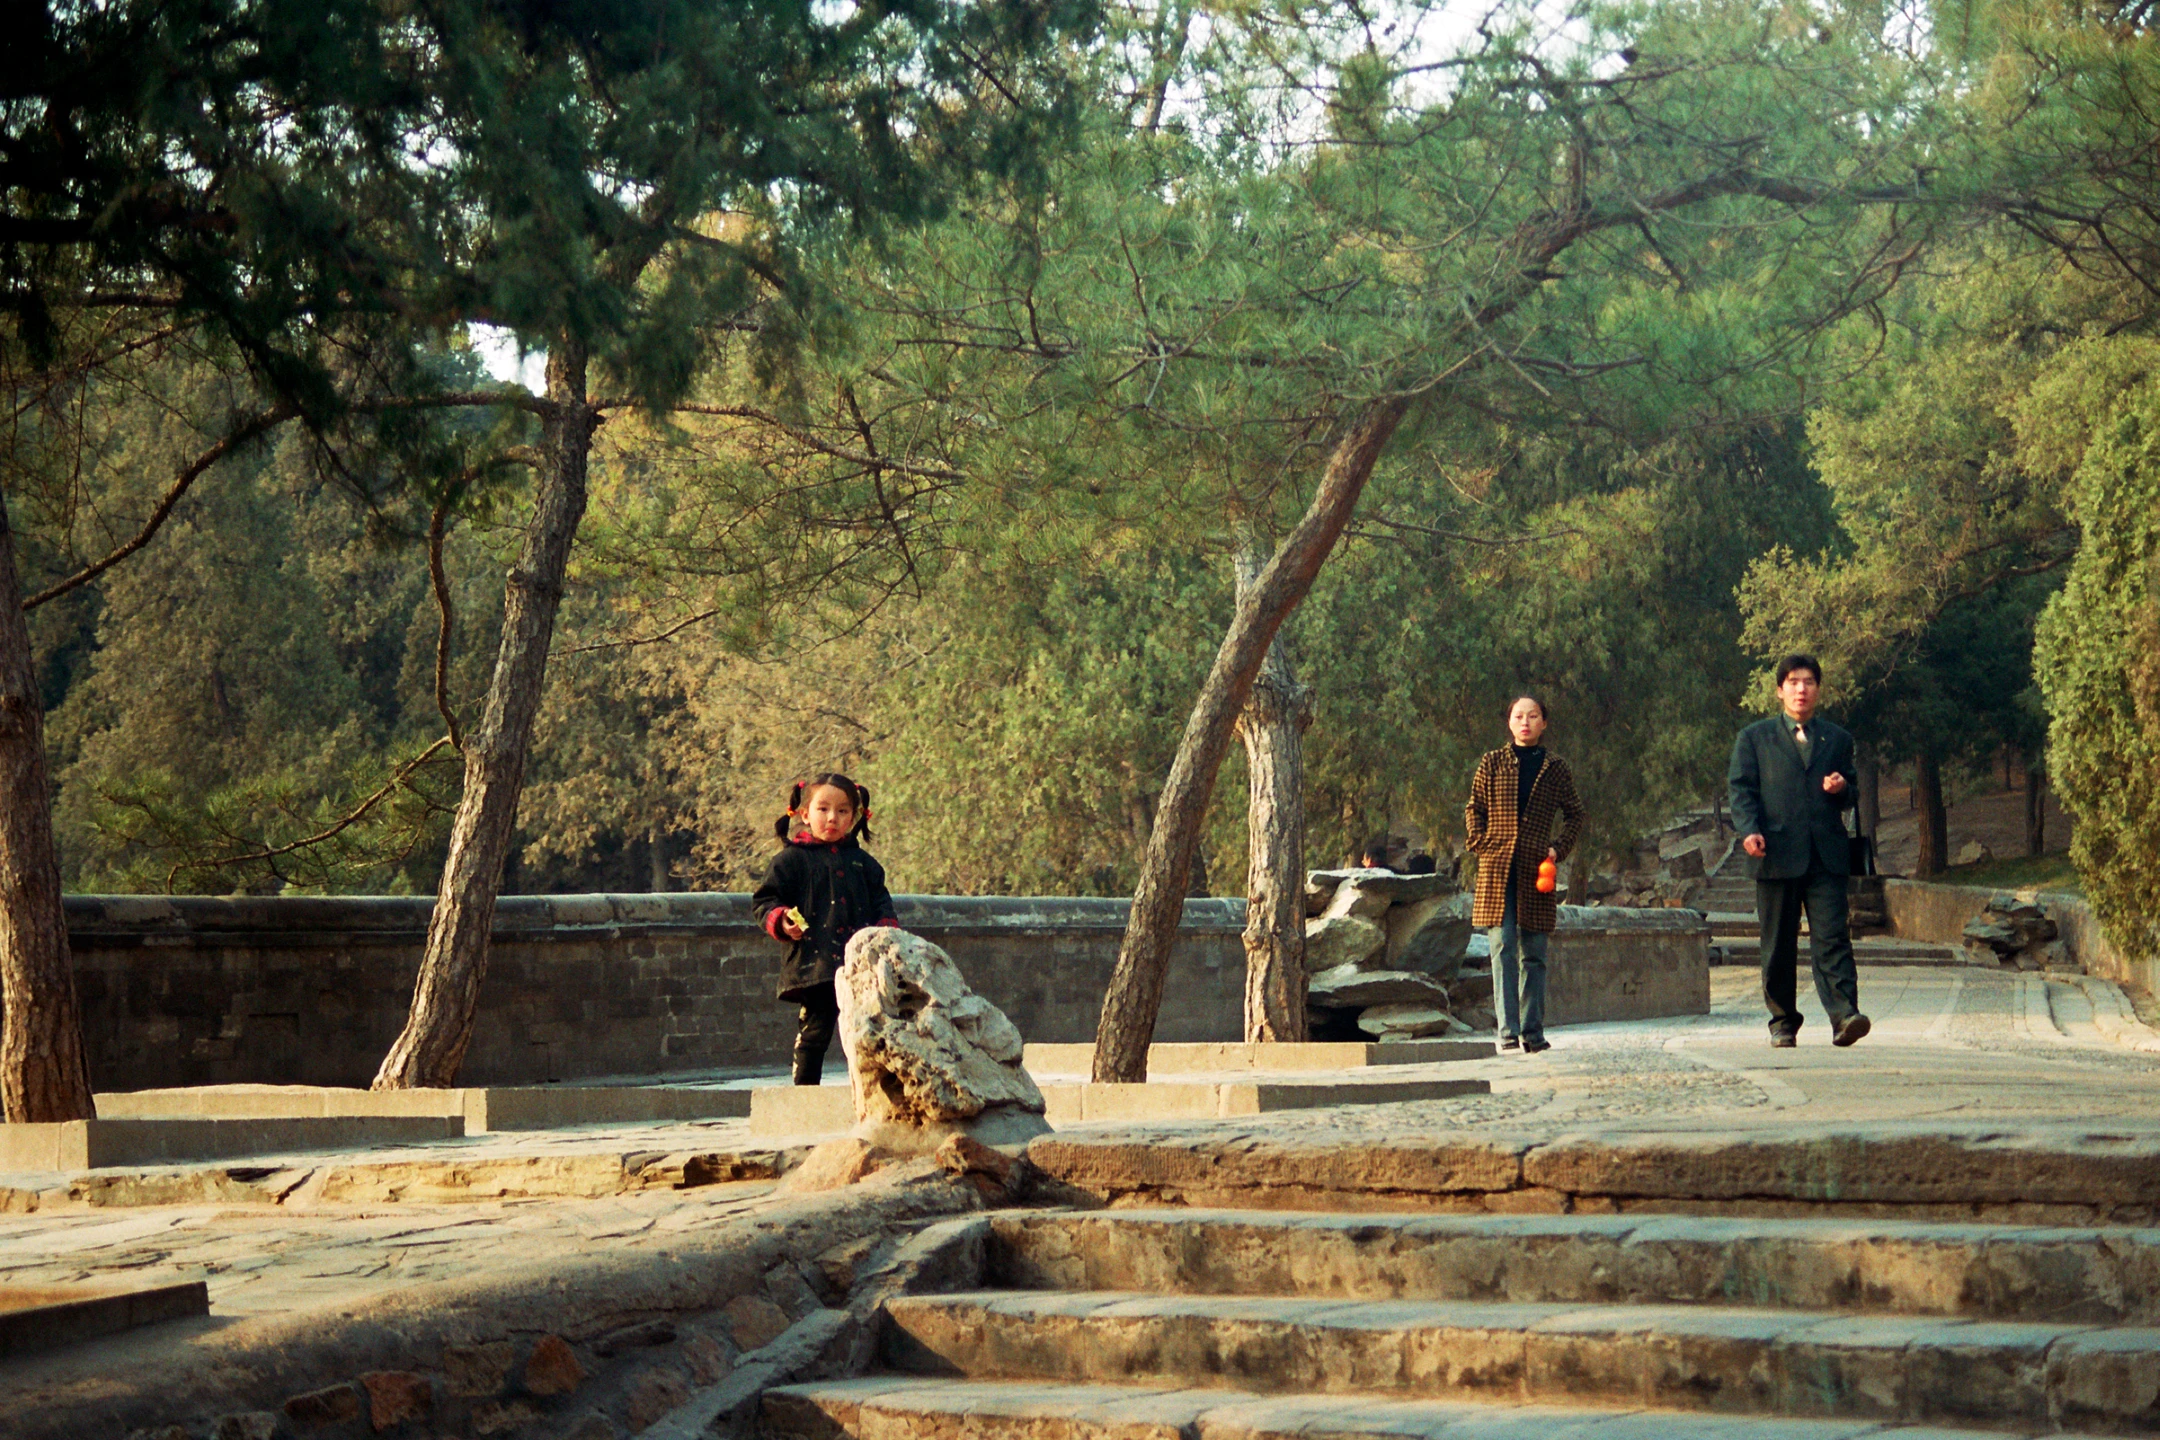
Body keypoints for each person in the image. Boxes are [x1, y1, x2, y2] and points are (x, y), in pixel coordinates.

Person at [1727, 654, 1869, 1049]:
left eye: (1808, 682)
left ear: (1818, 690)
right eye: (1792, 682)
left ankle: (1844, 1016)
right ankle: (1783, 1021)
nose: (1800, 689)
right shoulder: (1754, 738)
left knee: (1832, 937)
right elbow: (1741, 790)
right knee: (1777, 943)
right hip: (1773, 854)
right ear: (1779, 691)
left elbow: (1852, 793)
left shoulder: (1837, 739)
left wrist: (1843, 788)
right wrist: (1749, 830)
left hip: (1825, 856)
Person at [751, 773, 897, 1084]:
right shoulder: (790, 861)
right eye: (823, 809)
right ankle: (804, 1094)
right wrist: (780, 919)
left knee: (871, 1033)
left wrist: (887, 935)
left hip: (861, 967)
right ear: (804, 814)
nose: (832, 818)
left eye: (843, 811)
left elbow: (882, 904)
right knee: (814, 1033)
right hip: (815, 964)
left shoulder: (864, 864)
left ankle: (874, 1095)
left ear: (855, 816)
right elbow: (765, 900)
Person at [1464, 695, 1585, 1054]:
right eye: (1519, 716)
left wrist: (1557, 849)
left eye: (1533, 716)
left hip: (1537, 869)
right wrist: (1482, 843)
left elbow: (1575, 814)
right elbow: (1475, 808)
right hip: (1497, 868)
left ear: (1544, 723)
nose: (1526, 722)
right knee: (1502, 946)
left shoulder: (1555, 768)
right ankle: (1507, 1031)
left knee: (1534, 951)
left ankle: (1533, 1032)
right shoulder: (1492, 762)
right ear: (1509, 722)